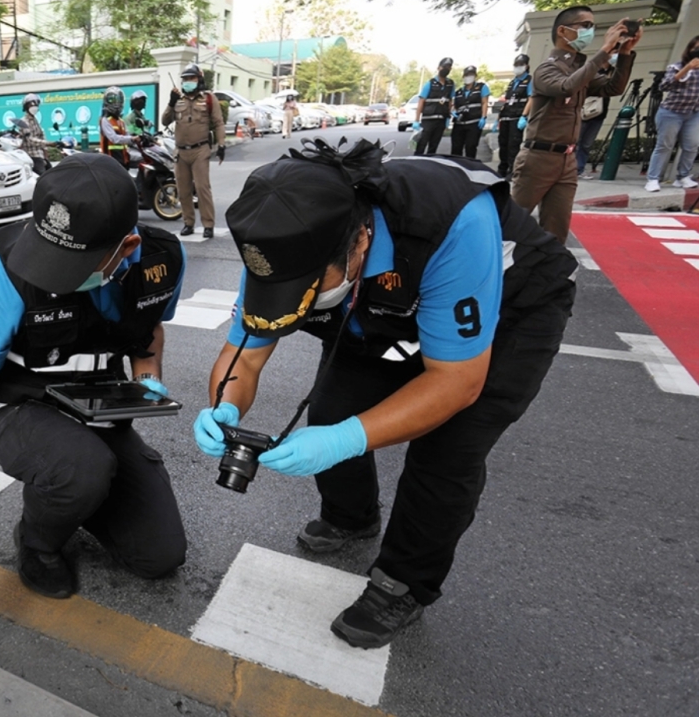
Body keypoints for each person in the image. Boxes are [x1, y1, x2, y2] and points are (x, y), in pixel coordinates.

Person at [193, 139, 576, 649]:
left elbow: (455, 382)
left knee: (447, 450)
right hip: (376, 299)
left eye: (309, 287)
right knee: (331, 407)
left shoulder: (451, 220)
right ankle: (352, 518)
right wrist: (224, 404)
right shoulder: (282, 240)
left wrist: (345, 441)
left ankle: (404, 583)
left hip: (506, 303)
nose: (299, 301)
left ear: (358, 242)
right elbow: (246, 353)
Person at [0, 153, 188, 618]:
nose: (51, 274)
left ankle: (80, 491)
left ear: (126, 247)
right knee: (80, 467)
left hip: (99, 408)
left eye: (70, 264)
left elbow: (148, 334)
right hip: (18, 405)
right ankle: (37, 538)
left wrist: (147, 384)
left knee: (159, 556)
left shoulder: (162, 260)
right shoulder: (10, 272)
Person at [511, 7, 637, 243]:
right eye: (585, 25)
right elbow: (567, 86)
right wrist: (604, 51)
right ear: (563, 31)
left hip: (567, 160)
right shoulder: (547, 68)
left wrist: (625, 54)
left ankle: (547, 276)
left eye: (593, 26)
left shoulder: (580, 69)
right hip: (538, 159)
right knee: (511, 223)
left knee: (556, 230)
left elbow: (613, 88)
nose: (591, 31)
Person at [161, 64, 225, 239]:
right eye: (186, 79)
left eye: (192, 78)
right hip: (181, 152)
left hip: (200, 150)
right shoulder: (178, 100)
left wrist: (221, 145)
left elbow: (218, 123)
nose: (188, 82)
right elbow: (165, 121)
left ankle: (208, 225)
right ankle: (188, 223)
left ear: (199, 80)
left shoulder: (208, 98)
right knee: (183, 190)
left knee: (202, 188)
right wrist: (171, 102)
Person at [644, 36, 699, 192]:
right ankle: (653, 179)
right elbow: (664, 86)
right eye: (696, 48)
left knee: (691, 146)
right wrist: (687, 68)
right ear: (689, 50)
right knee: (664, 146)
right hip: (671, 112)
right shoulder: (676, 67)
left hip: (694, 113)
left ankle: (683, 177)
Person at [497, 55, 532, 179]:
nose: (518, 67)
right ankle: (502, 168)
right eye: (516, 65)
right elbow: (507, 100)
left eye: (520, 65)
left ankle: (513, 170)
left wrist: (524, 116)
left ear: (526, 66)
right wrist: (499, 118)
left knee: (513, 145)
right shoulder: (513, 82)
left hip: (517, 117)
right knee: (503, 144)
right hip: (506, 116)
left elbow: (531, 99)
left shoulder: (529, 81)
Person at [413, 58, 455, 155]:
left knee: (434, 146)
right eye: (444, 67)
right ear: (439, 68)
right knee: (421, 145)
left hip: (441, 121)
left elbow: (450, 101)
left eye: (449, 67)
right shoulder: (430, 83)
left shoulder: (450, 84)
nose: (446, 69)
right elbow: (421, 102)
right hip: (428, 120)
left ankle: (429, 165)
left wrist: (448, 117)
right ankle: (416, 163)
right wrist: (416, 120)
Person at [450, 66, 490, 159]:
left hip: (473, 123)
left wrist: (483, 117)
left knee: (470, 147)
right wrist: (453, 112)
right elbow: (455, 106)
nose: (468, 77)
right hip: (459, 124)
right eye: (467, 75)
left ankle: (469, 169)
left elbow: (484, 103)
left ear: (475, 75)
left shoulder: (481, 87)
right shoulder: (459, 92)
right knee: (456, 148)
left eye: (471, 75)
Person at [99, 85, 138, 169]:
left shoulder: (121, 121)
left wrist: (138, 137)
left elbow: (127, 135)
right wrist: (131, 139)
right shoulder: (105, 120)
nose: (117, 103)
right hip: (110, 160)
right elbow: (114, 138)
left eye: (119, 100)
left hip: (123, 159)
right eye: (112, 100)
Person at [16, 92, 49, 176]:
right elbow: (30, 140)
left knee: (52, 174)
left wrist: (45, 150)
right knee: (43, 177)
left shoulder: (35, 120)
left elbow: (41, 134)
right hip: (32, 155)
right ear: (26, 106)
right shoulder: (23, 121)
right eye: (31, 104)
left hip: (40, 154)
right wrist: (49, 143)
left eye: (35, 104)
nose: (34, 106)